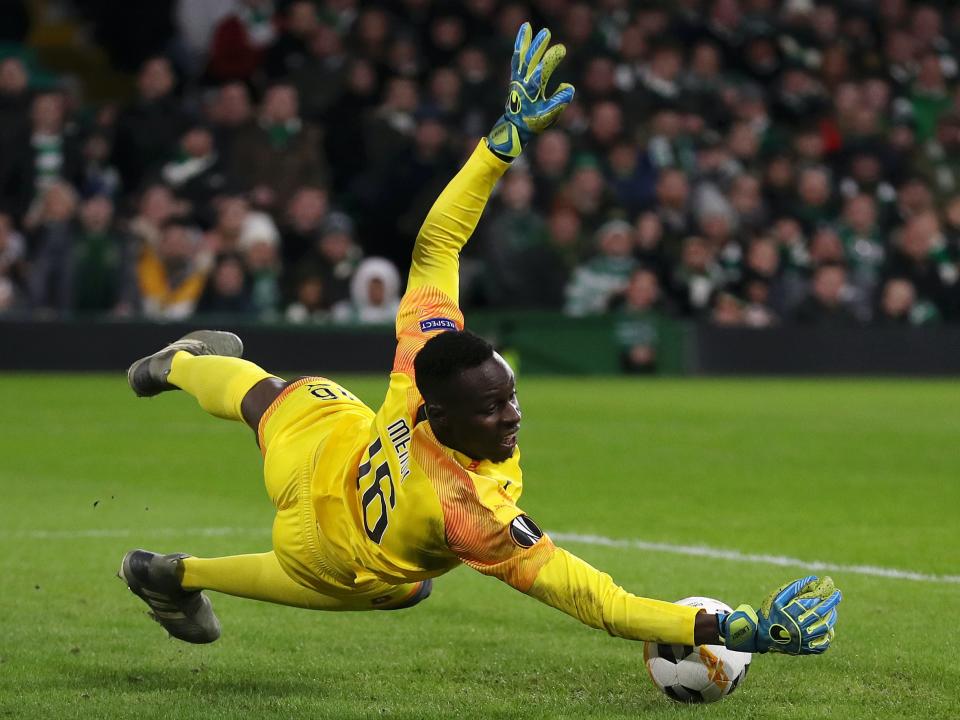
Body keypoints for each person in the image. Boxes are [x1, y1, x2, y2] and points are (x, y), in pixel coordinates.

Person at [119, 23, 840, 659]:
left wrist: (502, 146)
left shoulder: (421, 362)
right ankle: (175, 574)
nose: (512, 415)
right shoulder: (471, 513)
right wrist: (735, 630)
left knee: (274, 395)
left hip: (335, 449)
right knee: (411, 592)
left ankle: (179, 366)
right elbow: (602, 602)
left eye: (510, 394)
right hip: (335, 555)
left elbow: (436, 246)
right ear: (443, 415)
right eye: (493, 409)